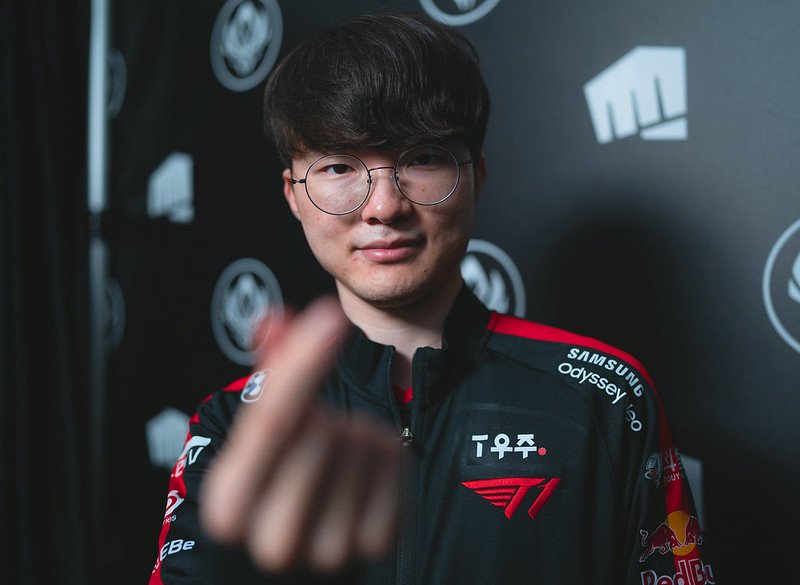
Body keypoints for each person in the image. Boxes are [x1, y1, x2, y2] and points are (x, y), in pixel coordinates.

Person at [149, 12, 713, 585]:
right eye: (339, 166)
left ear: (477, 177)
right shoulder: (231, 424)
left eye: (422, 159)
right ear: (293, 195)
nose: (383, 207)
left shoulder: (604, 397)